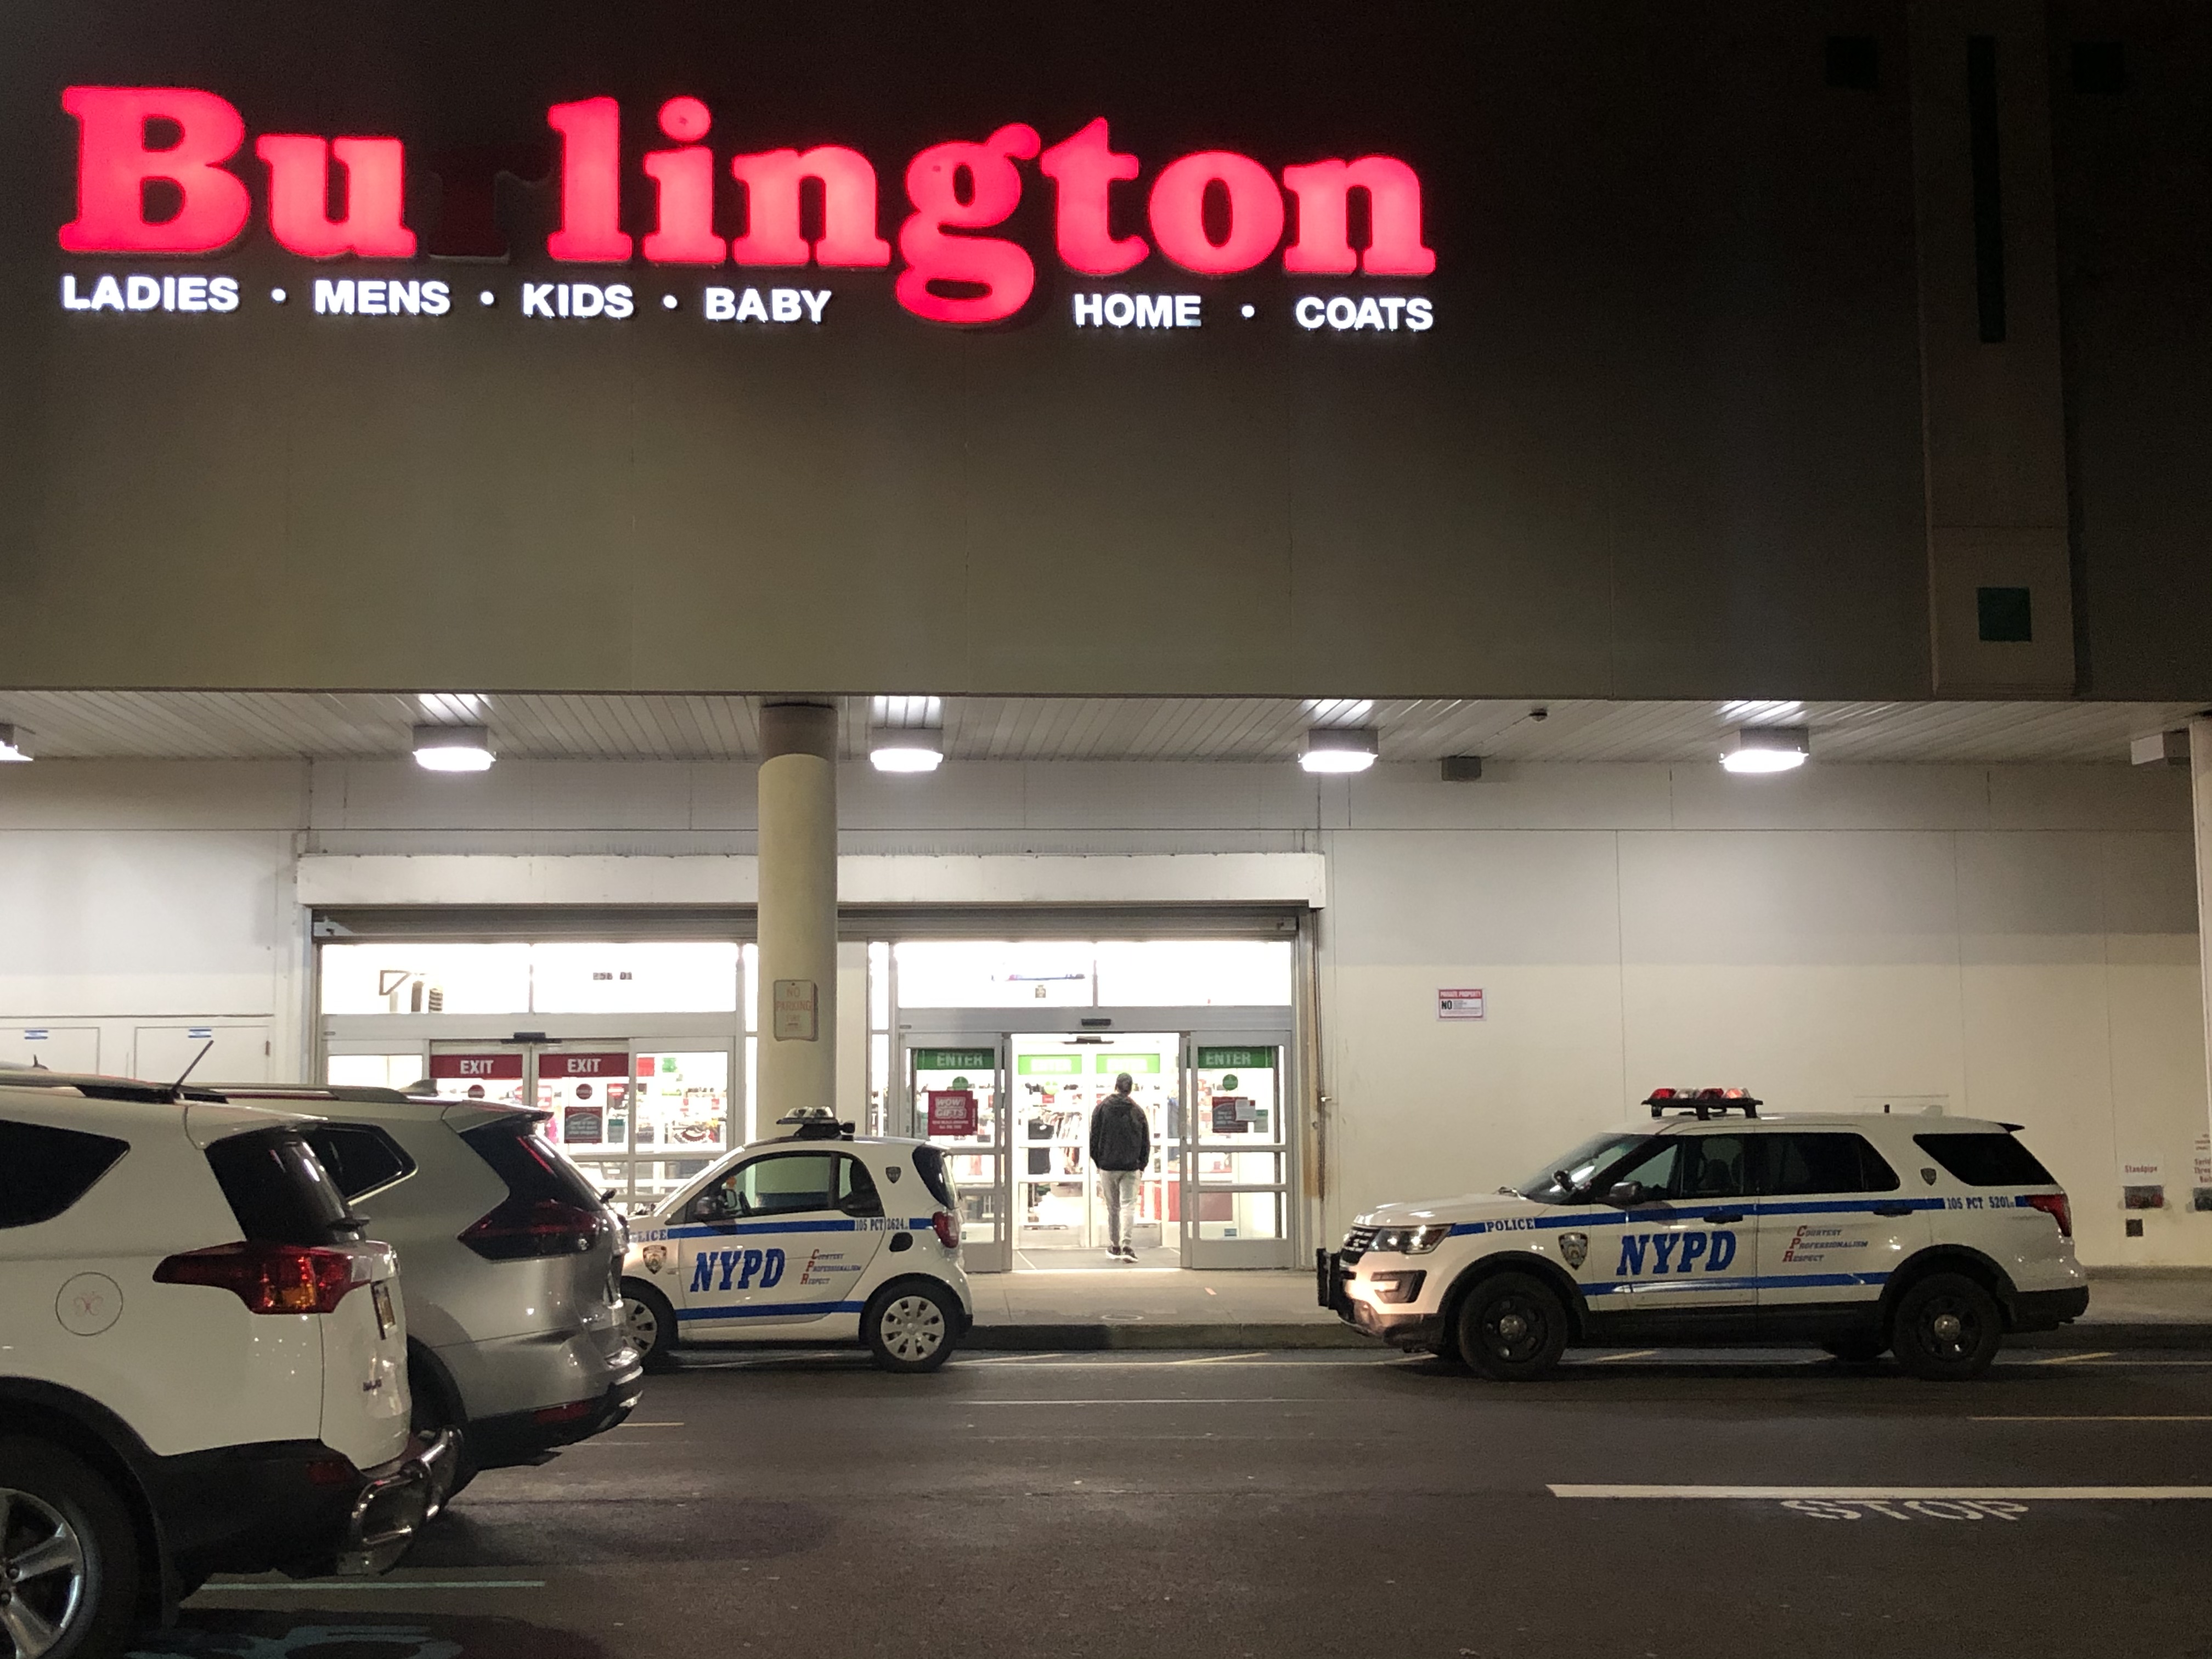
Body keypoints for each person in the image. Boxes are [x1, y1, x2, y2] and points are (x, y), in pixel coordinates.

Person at [1087, 1072, 1150, 1262]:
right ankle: (1127, 1245)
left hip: (1108, 1165)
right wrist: (1142, 1164)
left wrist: (1099, 1162)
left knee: (1113, 1207)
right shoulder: (1137, 1111)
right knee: (1129, 1206)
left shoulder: (1101, 1109)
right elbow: (1145, 1141)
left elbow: (1094, 1139)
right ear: (1130, 1089)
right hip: (1131, 1166)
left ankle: (1114, 1246)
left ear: (1116, 1086)